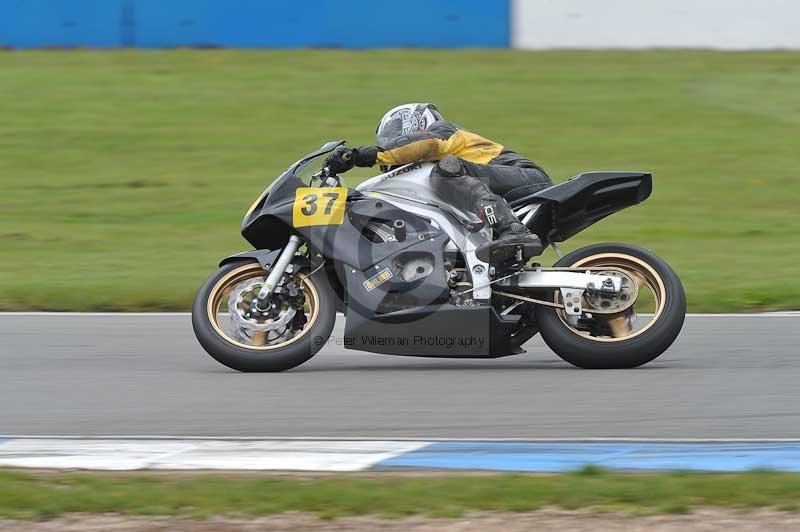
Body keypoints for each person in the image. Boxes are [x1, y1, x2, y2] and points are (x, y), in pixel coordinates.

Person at [325, 103, 553, 263]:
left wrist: (365, 156)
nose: (392, 148)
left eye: (395, 138)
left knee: (444, 171)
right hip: (497, 186)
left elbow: (425, 145)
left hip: (524, 178)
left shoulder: (441, 132)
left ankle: (511, 229)